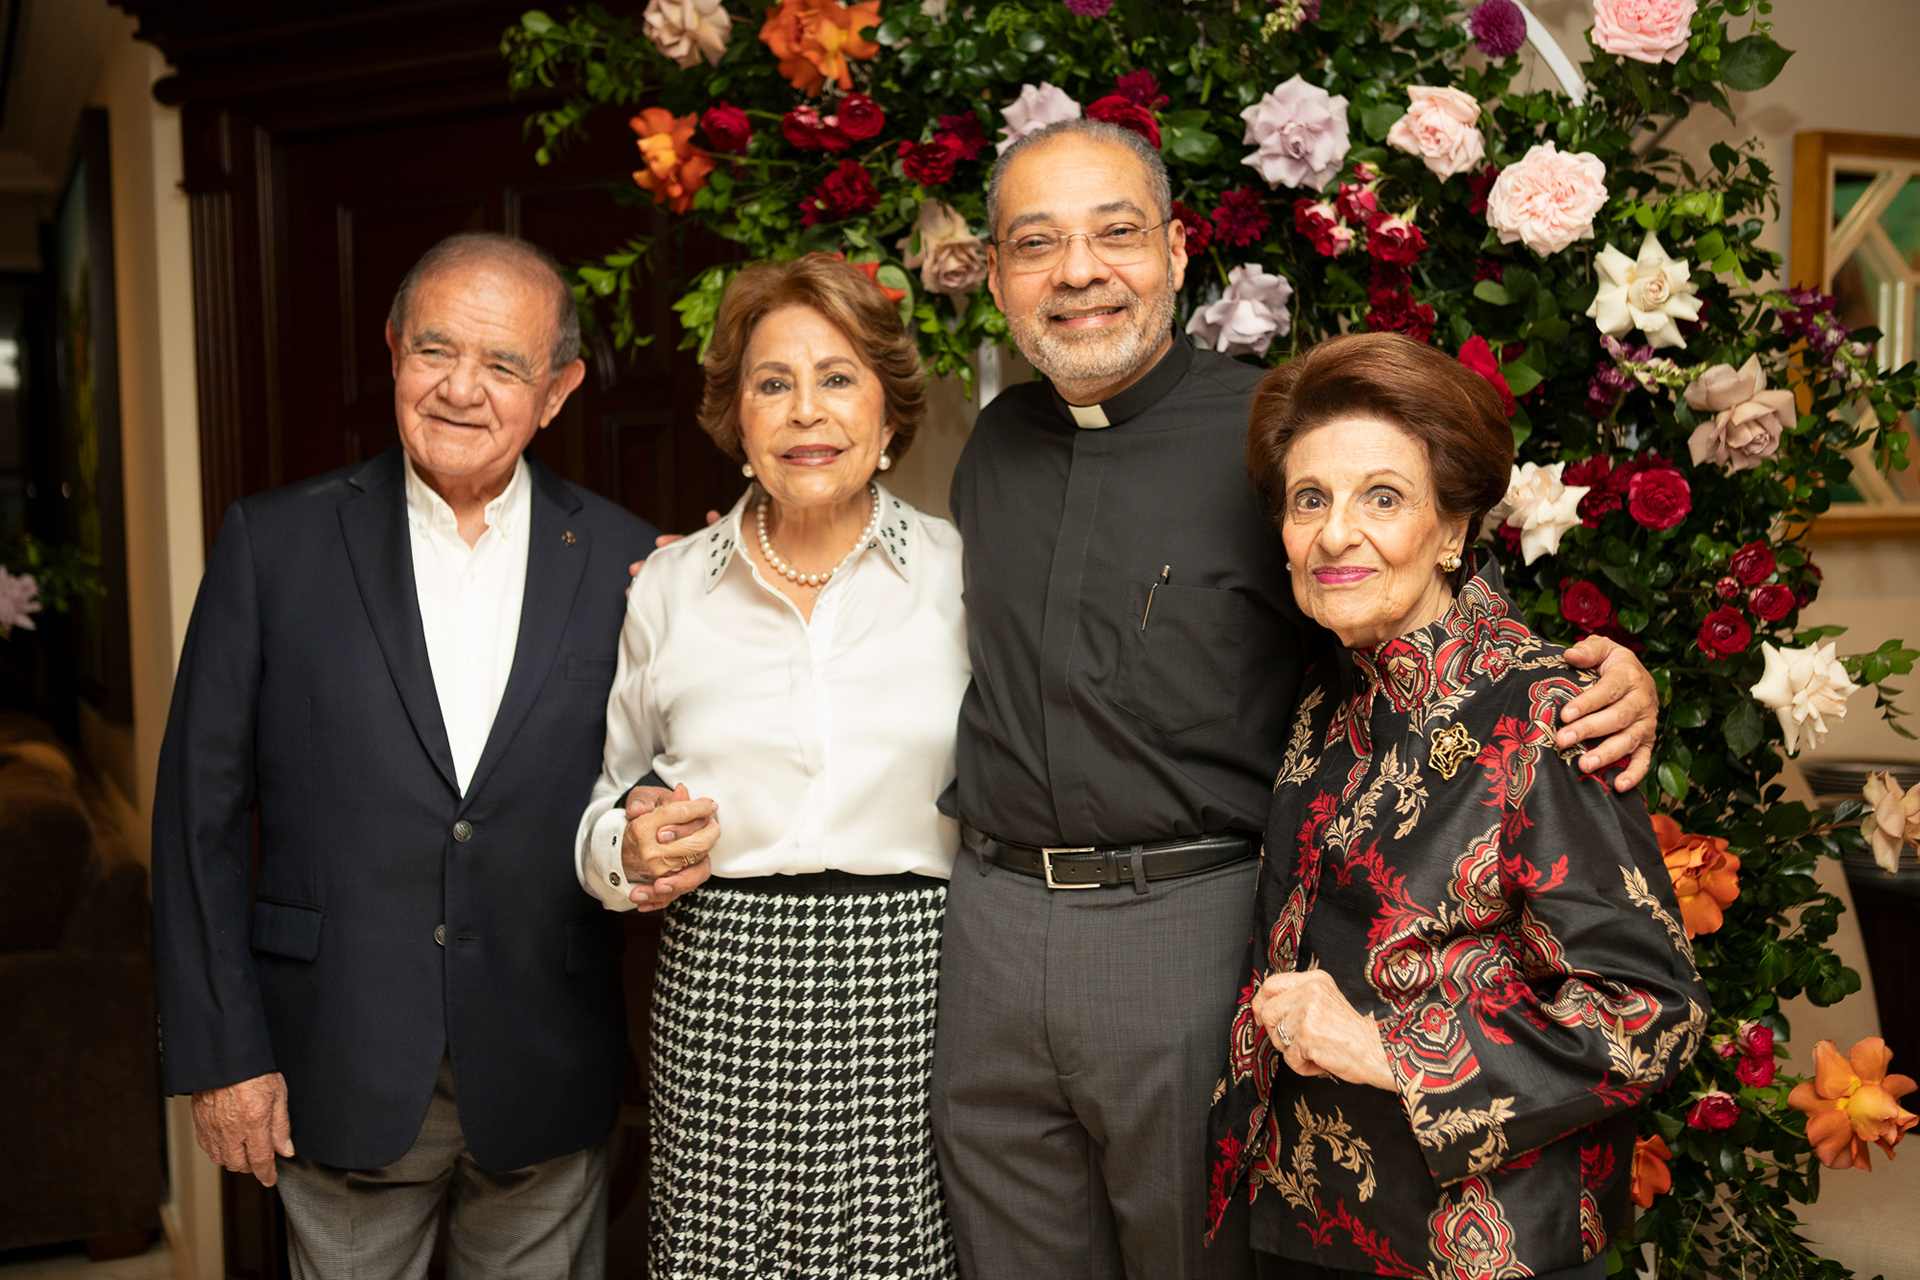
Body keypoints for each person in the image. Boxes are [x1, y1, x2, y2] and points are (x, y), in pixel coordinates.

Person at [928, 118, 1664, 1280]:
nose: (1078, 272)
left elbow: (1424, 598)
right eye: (1036, 243)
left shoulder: (1274, 439)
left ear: (1177, 251)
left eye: (1115, 233)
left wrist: (1609, 677)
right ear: (997, 274)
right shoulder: (992, 446)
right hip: (993, 925)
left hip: (1186, 924)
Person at [152, 232, 713, 1280]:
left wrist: (733, 594)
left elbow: (657, 779)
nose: (461, 388)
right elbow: (197, 820)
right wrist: (223, 1052)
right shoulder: (271, 545)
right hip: (335, 1060)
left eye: (503, 364)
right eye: (434, 350)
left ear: (557, 392)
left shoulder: (635, 562)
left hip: (546, 1058)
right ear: (392, 350)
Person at [1208, 332, 1708, 1280]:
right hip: (1308, 1219)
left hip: (1479, 1244)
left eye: (1382, 497)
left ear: (1453, 530)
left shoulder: (1551, 713)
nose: (1335, 534)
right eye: (1309, 499)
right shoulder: (1328, 697)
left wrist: (1385, 1050)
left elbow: (1651, 1012)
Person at [576, 254, 967, 1280]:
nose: (806, 412)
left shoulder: (963, 576)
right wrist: (626, 850)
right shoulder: (667, 586)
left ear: (887, 411)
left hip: (916, 986)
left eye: (837, 377)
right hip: (721, 986)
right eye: (772, 383)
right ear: (736, 418)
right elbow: (607, 803)